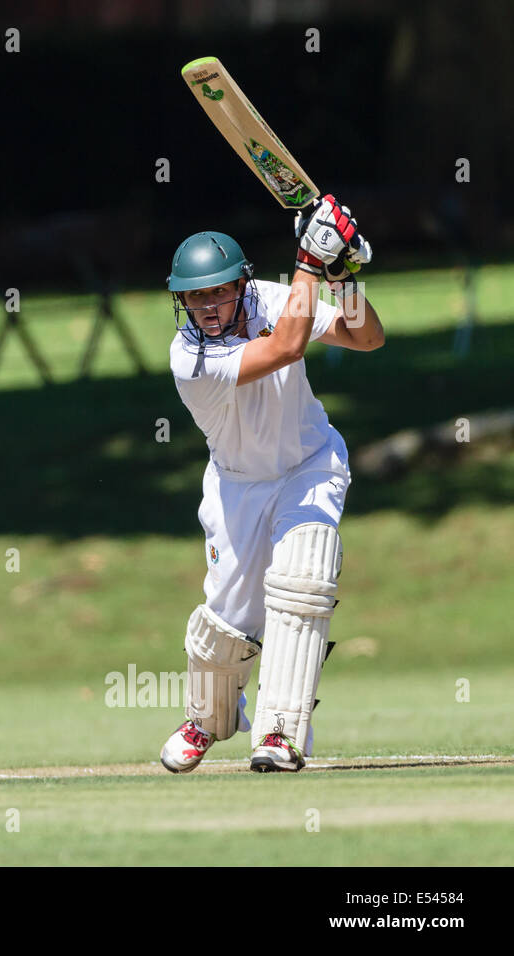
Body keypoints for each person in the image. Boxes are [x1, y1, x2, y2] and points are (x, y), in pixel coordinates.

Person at [160, 195, 384, 773]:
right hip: (237, 486)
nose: (208, 306)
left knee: (303, 576)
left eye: (218, 291)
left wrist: (346, 276)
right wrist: (314, 259)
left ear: (242, 284)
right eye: (196, 296)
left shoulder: (277, 298)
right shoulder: (189, 359)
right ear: (181, 300)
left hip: (309, 464)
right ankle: (210, 720)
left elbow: (367, 340)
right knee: (226, 623)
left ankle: (281, 731)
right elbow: (286, 347)